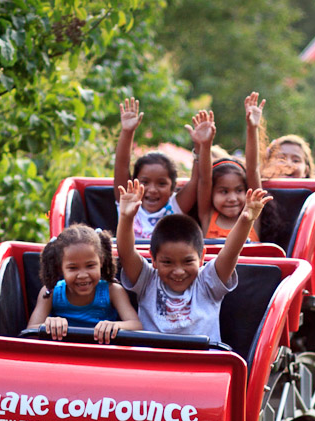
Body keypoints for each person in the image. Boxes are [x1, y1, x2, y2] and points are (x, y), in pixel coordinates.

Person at [117, 179, 271, 343]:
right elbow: (126, 252)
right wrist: (126, 217)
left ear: (201, 257)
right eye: (167, 262)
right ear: (153, 260)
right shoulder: (147, 281)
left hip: (202, 364)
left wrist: (246, 221)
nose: (178, 271)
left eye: (187, 262)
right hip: (154, 363)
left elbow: (230, 252)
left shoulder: (208, 282)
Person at [113, 97, 214, 238]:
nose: (152, 190)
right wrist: (127, 131)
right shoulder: (128, 200)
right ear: (133, 182)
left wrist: (200, 145)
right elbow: (121, 165)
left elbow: (198, 179)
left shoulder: (175, 206)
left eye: (161, 183)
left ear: (173, 187)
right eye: (145, 182)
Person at [27, 224, 141, 343]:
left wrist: (115, 326)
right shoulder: (50, 292)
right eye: (73, 268)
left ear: (101, 261)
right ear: (60, 267)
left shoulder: (113, 290)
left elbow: (136, 325)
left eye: (90, 266)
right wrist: (49, 325)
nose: (83, 275)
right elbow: (30, 331)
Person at [198, 93, 266, 240]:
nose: (232, 198)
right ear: (211, 194)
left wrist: (252, 128)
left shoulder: (252, 215)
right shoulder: (208, 216)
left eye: (239, 190)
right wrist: (205, 144)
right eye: (224, 191)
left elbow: (253, 169)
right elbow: (204, 179)